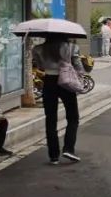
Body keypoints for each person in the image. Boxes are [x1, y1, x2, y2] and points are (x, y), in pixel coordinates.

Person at [32, 36, 83, 165]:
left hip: (49, 82)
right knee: (73, 117)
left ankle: (53, 156)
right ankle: (69, 149)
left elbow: (40, 66)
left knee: (50, 119)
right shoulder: (71, 47)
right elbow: (78, 66)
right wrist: (80, 74)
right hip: (66, 81)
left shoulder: (38, 49)